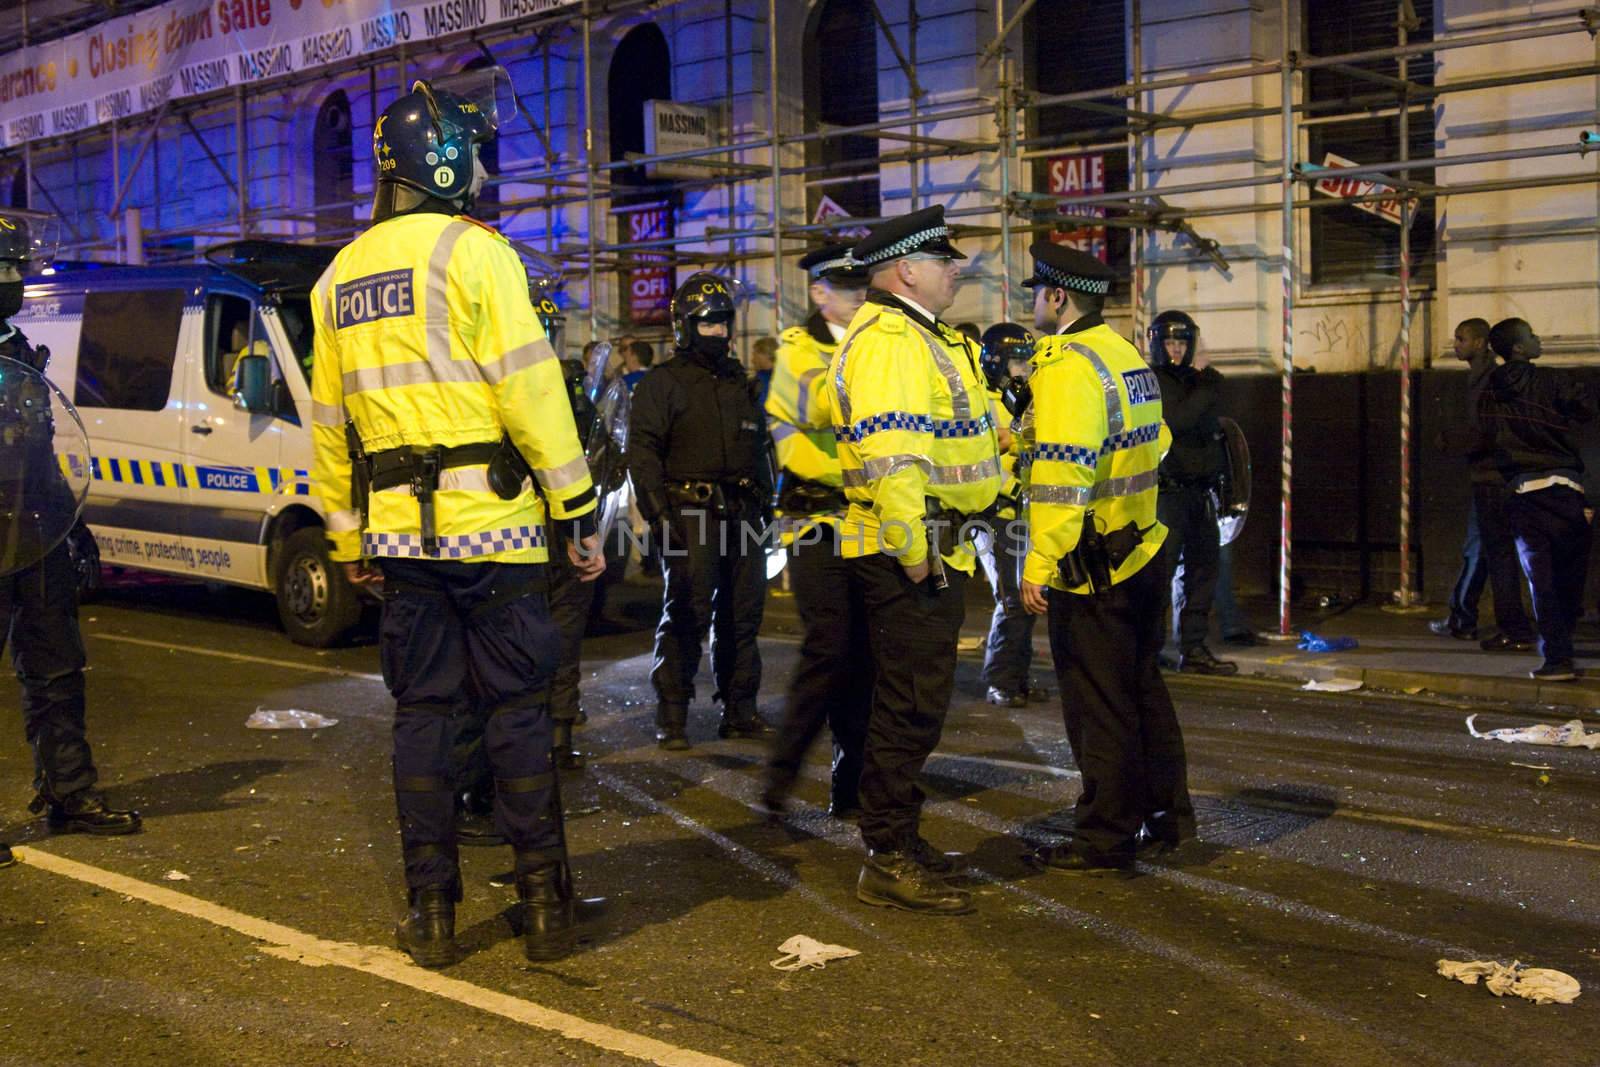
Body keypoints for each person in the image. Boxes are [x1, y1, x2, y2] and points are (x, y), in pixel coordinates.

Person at [310, 79, 606, 967]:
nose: (482, 167)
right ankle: (545, 904)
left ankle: (433, 912)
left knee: (424, 718)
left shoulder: (338, 278)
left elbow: (330, 429)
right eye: (474, 151)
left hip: (402, 536)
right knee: (516, 712)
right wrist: (578, 506)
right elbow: (531, 388)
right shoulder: (476, 255)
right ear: (443, 161)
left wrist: (348, 535)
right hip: (500, 532)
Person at [826, 205, 1003, 914]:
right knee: (906, 706)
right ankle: (888, 853)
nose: (955, 269)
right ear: (906, 270)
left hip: (934, 547)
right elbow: (894, 460)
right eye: (943, 260)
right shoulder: (892, 340)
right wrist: (916, 557)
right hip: (911, 552)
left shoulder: (920, 336)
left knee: (913, 704)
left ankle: (900, 836)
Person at [1018, 242, 1194, 876]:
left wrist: (1040, 561)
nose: (1033, 303)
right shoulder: (1124, 355)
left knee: (1099, 707)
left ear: (1058, 296)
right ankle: (1168, 817)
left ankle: (1103, 837)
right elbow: (1160, 441)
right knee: (1143, 691)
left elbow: (1062, 477)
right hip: (1142, 548)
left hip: (1091, 566)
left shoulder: (1067, 367)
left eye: (1036, 292)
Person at [0, 211, 142, 872]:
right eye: (5, 269)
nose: (15, 279)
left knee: (57, 665)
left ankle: (68, 789)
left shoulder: (16, 347)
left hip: (32, 531)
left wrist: (69, 522)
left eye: (15, 267)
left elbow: (38, 446)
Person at [628, 273, 774, 749]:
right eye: (707, 323)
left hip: (744, 514)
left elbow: (762, 450)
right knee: (687, 612)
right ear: (685, 326)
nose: (718, 332)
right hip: (689, 512)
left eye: (723, 322)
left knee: (743, 616)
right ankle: (672, 714)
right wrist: (658, 514)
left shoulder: (741, 384)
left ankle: (740, 708)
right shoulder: (662, 384)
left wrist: (767, 507)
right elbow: (643, 451)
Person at [761, 244, 871, 820]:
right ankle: (781, 773)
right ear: (819, 292)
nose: (858, 296)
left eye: (862, 286)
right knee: (828, 646)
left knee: (865, 655)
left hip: (870, 515)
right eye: (846, 288)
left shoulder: (872, 341)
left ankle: (849, 785)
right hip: (814, 518)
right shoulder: (797, 349)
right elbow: (827, 406)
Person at [1477, 317, 1596, 681]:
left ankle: (1557, 659)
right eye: (1531, 336)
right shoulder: (1553, 381)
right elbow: (1586, 410)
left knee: (1539, 580)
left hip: (1522, 493)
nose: (1538, 338)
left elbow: (1488, 439)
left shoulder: (1489, 392)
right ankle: (1563, 643)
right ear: (1518, 348)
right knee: (1568, 578)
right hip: (1565, 489)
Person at [1431, 318, 1536, 652]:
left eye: (1461, 339)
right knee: (1485, 549)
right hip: (1494, 475)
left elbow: (1485, 431)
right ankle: (1464, 617)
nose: (1456, 344)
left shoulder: (1489, 379)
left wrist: (1448, 442)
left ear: (1479, 343)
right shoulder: (1481, 377)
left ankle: (1477, 620)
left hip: (1492, 478)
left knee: (1491, 550)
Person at [1148, 310, 1236, 676]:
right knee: (1160, 574)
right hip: (1167, 494)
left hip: (1200, 493)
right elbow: (1179, 419)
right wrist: (1207, 384)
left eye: (1182, 343)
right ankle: (1148, 649)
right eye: (1169, 342)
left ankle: (1194, 646)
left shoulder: (1198, 383)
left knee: (1202, 574)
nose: (1176, 351)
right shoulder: (1155, 380)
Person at [976, 322, 1045, 707]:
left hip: (1024, 508)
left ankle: (1017, 678)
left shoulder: (1022, 397)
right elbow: (995, 442)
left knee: (1028, 597)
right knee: (1012, 597)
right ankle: (1000, 680)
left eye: (1027, 363)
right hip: (995, 511)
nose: (1023, 370)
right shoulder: (982, 399)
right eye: (1017, 362)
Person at [749, 336, 778, 406]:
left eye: (754, 355)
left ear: (764, 355)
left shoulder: (757, 382)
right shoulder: (785, 378)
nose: (752, 360)